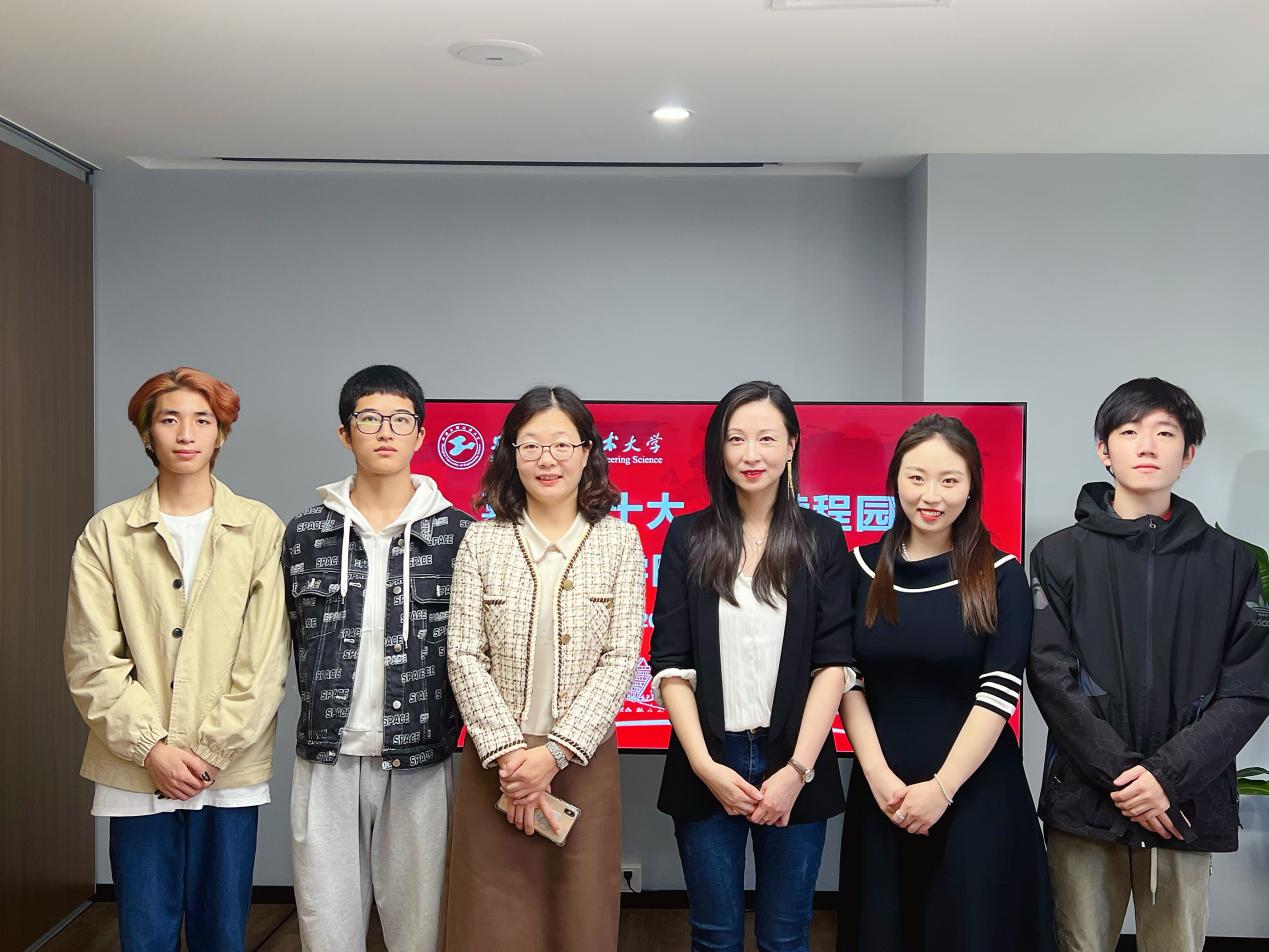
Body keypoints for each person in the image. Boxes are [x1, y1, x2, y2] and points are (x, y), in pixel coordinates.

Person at [1029, 377, 1269, 952]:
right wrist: (1125, 777)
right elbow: (1050, 675)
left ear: (1188, 454)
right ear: (1103, 449)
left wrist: (1166, 778)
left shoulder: (1231, 562)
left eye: (1165, 433)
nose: (1146, 445)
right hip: (1087, 801)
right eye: (1129, 431)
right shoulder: (1058, 555)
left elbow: (1248, 688)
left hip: (1184, 802)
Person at [64, 367, 289, 951]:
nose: (186, 434)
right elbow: (91, 659)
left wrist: (211, 750)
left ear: (221, 434)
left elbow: (265, 658)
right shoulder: (107, 532)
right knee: (144, 932)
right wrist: (152, 748)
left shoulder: (259, 527)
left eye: (202, 420)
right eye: (169, 420)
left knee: (222, 932)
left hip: (230, 768)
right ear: (147, 434)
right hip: (134, 766)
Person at [836, 413, 1055, 952]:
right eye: (916, 477)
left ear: (972, 486)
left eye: (949, 480)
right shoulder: (858, 567)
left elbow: (999, 692)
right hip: (883, 794)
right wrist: (880, 779)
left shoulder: (1002, 575)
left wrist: (941, 790)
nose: (931, 495)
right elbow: (846, 680)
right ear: (895, 480)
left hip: (976, 794)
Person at [651, 380, 852, 952]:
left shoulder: (821, 538)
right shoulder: (688, 536)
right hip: (708, 761)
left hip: (797, 760)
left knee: (786, 936)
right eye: (735, 438)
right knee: (714, 936)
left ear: (791, 445)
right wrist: (704, 766)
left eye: (766, 438)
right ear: (719, 448)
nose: (750, 454)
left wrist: (797, 771)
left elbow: (833, 664)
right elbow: (670, 664)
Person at [442, 386, 644, 952]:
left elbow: (620, 659)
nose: (546, 459)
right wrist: (512, 756)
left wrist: (553, 754)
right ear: (511, 453)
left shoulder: (620, 541)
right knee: (490, 919)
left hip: (581, 761)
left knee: (580, 917)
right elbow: (464, 654)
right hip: (496, 764)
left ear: (587, 452)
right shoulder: (482, 540)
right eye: (530, 445)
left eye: (562, 444)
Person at [283, 364, 473, 952]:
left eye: (400, 419)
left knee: (420, 931)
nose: (385, 431)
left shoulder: (462, 535)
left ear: (421, 433)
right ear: (345, 433)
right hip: (327, 757)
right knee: (326, 929)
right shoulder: (304, 533)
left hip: (421, 758)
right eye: (369, 419)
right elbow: (278, 642)